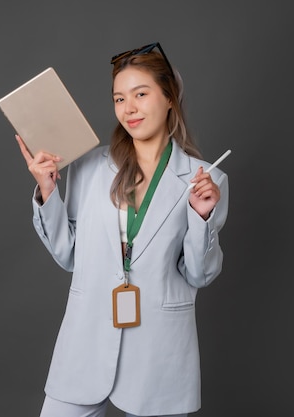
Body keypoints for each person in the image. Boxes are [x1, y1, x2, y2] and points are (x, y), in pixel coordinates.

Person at [15, 42, 229, 417]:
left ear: (169, 99)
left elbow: (199, 273)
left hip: (159, 356)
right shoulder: (88, 167)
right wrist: (49, 191)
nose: (128, 109)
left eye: (140, 94)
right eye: (118, 98)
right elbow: (69, 256)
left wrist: (201, 217)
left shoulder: (206, 180)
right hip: (85, 346)